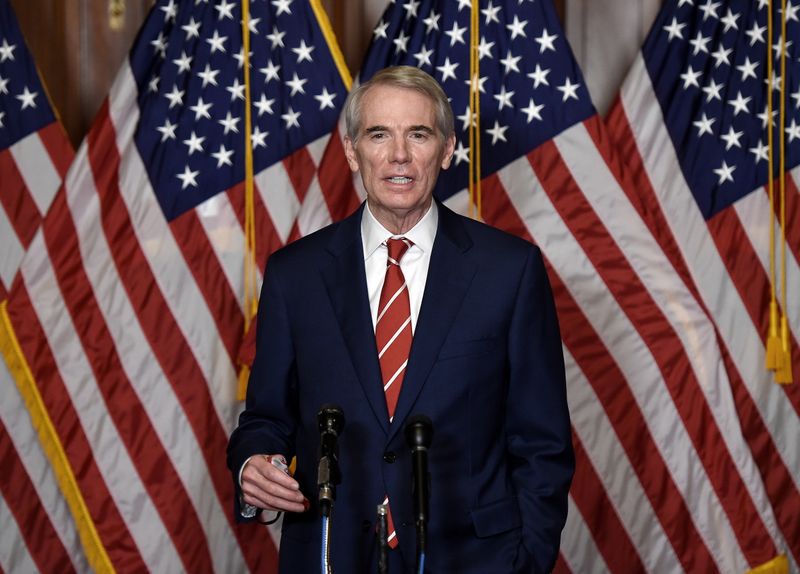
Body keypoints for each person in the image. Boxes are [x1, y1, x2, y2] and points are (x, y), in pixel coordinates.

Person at [227, 65, 574, 573]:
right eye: (378, 135)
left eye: (418, 134)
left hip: (474, 559)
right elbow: (266, 419)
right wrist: (253, 465)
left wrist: (526, 562)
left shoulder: (509, 270)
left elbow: (542, 443)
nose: (399, 156)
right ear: (352, 150)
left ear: (448, 147)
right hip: (332, 555)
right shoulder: (294, 274)